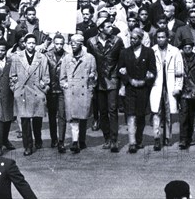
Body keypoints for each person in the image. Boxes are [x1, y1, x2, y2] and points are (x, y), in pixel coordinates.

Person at [9, 33, 50, 156]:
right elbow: (12, 75)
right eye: (29, 43)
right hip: (22, 92)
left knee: (37, 118)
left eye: (33, 43)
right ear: (24, 44)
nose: (31, 45)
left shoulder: (42, 57)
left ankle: (38, 138)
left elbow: (46, 76)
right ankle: (27, 145)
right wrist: (15, 89)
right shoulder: (16, 57)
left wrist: (44, 89)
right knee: (25, 120)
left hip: (37, 91)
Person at [88, 16, 124, 152]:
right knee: (102, 111)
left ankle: (114, 140)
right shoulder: (91, 42)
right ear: (100, 28)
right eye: (108, 26)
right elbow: (90, 60)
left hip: (113, 79)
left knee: (112, 110)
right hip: (98, 80)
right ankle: (107, 137)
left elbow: (122, 58)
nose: (111, 28)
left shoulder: (117, 41)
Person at [118, 28, 156, 153]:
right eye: (131, 38)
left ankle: (139, 139)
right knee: (130, 114)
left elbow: (152, 70)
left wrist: (144, 81)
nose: (132, 40)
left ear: (140, 39)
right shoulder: (125, 52)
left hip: (143, 89)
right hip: (130, 88)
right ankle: (132, 142)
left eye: (135, 38)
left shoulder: (149, 52)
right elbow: (121, 69)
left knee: (140, 115)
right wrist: (129, 80)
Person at [60, 34, 96, 153]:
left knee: (83, 117)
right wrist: (65, 86)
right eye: (71, 42)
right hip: (71, 91)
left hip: (84, 91)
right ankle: (75, 142)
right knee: (73, 117)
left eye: (76, 42)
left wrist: (91, 84)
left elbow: (94, 74)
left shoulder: (90, 58)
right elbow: (62, 77)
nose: (73, 44)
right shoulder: (66, 59)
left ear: (81, 44)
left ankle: (82, 140)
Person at [150, 28, 184, 151]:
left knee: (169, 113)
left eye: (163, 37)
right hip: (156, 86)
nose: (160, 39)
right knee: (156, 113)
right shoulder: (151, 51)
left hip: (170, 86)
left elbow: (180, 71)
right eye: (158, 37)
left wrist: (178, 87)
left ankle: (167, 137)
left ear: (168, 38)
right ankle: (157, 138)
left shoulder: (174, 51)